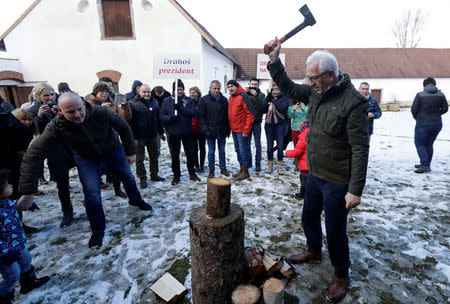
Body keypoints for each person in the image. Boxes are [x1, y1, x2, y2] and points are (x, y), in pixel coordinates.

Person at [266, 38, 369, 303]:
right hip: (314, 173)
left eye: (313, 77)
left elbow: (359, 148)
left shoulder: (353, 102)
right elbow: (288, 86)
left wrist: (355, 190)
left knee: (335, 231)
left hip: (337, 180)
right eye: (308, 78)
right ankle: (314, 249)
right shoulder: (314, 92)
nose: (309, 82)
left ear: (330, 75)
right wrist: (276, 61)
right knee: (309, 217)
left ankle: (341, 274)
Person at [18, 92, 152, 249]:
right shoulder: (56, 125)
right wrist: (28, 191)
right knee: (91, 192)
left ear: (83, 103)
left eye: (79, 109)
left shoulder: (101, 111)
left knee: (127, 176)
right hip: (86, 157)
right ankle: (97, 230)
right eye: (70, 112)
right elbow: (34, 154)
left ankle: (136, 200)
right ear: (61, 111)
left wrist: (130, 152)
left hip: (112, 149)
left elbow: (123, 126)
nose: (77, 114)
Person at [27, 82, 75, 228]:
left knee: (87, 176)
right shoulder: (34, 110)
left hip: (72, 146)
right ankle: (67, 211)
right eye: (46, 95)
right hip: (55, 150)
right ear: (37, 96)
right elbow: (38, 132)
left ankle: (91, 203)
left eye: (52, 94)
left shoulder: (61, 102)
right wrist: (40, 117)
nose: (49, 98)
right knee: (62, 183)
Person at [0, 169, 50, 304]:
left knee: (26, 259)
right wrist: (5, 252)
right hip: (5, 253)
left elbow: (14, 205)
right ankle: (3, 297)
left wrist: (27, 205)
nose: (11, 185)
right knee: (12, 275)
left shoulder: (5, 202)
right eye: (7, 184)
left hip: (16, 244)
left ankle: (29, 283)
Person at [160, 79, 200, 185]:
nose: (180, 91)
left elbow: (193, 113)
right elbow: (162, 116)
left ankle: (192, 173)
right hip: (173, 133)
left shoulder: (189, 100)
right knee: (174, 155)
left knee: (190, 154)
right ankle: (176, 176)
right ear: (173, 90)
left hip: (187, 132)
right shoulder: (167, 101)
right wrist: (171, 118)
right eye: (177, 89)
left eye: (181, 89)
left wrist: (181, 108)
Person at [128, 84, 165, 189]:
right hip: (139, 137)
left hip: (152, 135)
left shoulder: (154, 102)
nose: (147, 94)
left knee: (154, 156)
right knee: (140, 159)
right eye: (144, 92)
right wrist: (133, 137)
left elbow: (158, 119)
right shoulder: (132, 104)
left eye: (148, 92)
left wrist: (161, 132)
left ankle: (154, 174)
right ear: (139, 92)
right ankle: (142, 178)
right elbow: (130, 123)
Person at [411, 77, 448, 173]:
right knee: (429, 144)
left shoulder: (420, 95)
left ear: (424, 85)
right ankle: (426, 163)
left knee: (420, 144)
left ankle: (425, 165)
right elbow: (445, 108)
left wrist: (418, 118)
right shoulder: (441, 95)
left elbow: (414, 109)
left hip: (423, 123)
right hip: (437, 124)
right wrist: (437, 114)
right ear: (434, 84)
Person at [198, 80, 230, 178]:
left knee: (222, 151)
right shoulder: (204, 100)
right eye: (214, 88)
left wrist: (228, 129)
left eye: (218, 88)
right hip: (210, 130)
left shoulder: (224, 100)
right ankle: (211, 170)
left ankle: (223, 168)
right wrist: (205, 130)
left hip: (222, 130)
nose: (216, 90)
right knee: (211, 151)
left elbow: (227, 116)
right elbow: (201, 117)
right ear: (210, 88)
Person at [227, 80, 254, 181]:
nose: (230, 88)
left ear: (237, 86)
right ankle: (241, 169)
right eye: (228, 87)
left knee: (243, 150)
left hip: (242, 130)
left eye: (232, 86)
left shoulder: (243, 96)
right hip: (234, 129)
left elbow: (250, 114)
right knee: (238, 150)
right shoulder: (231, 98)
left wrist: (246, 130)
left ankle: (245, 171)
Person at [263, 83, 289, 174]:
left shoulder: (285, 98)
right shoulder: (269, 97)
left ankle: (279, 166)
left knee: (280, 146)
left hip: (280, 125)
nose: (275, 90)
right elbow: (263, 109)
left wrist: (273, 101)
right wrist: (267, 100)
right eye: (273, 88)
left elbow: (283, 108)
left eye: (277, 88)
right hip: (269, 125)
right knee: (270, 146)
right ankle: (270, 165)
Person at [246, 77, 266, 172]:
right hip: (247, 123)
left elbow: (262, 107)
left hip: (257, 122)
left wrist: (256, 96)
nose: (253, 86)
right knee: (247, 143)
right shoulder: (245, 94)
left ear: (258, 85)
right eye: (252, 84)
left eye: (255, 84)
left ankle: (258, 164)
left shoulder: (261, 95)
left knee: (257, 144)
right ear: (249, 84)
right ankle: (249, 162)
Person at [285, 121, 310, 199]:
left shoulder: (303, 137)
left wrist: (286, 152)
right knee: (305, 181)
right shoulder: (313, 134)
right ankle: (302, 193)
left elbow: (296, 152)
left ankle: (305, 195)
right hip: (311, 164)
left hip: (305, 165)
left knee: (304, 181)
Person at [189, 87, 206, 173]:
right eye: (191, 93)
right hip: (192, 129)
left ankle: (202, 166)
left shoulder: (202, 102)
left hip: (201, 129)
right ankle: (196, 165)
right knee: (194, 149)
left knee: (202, 148)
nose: (192, 94)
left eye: (193, 93)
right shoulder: (188, 102)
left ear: (198, 93)